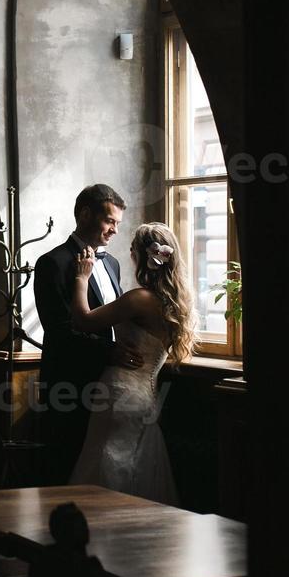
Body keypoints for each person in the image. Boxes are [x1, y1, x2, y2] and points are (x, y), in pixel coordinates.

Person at [67, 222, 196, 504]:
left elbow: (83, 320)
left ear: (141, 256)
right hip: (147, 396)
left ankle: (102, 523)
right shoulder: (176, 304)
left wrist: (81, 278)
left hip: (119, 393)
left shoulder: (138, 299)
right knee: (138, 464)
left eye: (132, 250)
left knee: (106, 461)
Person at [33, 184, 143, 486]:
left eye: (118, 223)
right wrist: (110, 352)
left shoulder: (114, 263)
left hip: (113, 383)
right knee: (67, 468)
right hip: (70, 385)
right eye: (110, 221)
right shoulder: (52, 264)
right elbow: (59, 332)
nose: (115, 231)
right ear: (84, 214)